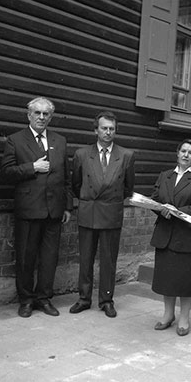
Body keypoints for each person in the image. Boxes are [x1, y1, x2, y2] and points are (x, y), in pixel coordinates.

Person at [1, 97, 73, 318]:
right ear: (29, 115)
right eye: (37, 113)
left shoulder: (60, 140)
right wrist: (32, 167)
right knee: (26, 258)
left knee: (50, 258)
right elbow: (7, 172)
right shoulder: (15, 140)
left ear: (50, 117)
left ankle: (44, 298)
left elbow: (66, 177)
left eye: (46, 114)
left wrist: (67, 206)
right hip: (29, 209)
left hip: (54, 210)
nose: (41, 117)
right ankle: (26, 300)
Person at [70, 111, 135, 318]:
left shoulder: (126, 155)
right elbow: (76, 184)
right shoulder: (82, 154)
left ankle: (106, 300)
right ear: (95, 130)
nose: (108, 132)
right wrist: (88, 200)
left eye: (111, 129)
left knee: (108, 259)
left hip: (111, 212)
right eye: (104, 128)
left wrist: (110, 200)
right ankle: (84, 298)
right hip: (88, 211)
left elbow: (128, 187)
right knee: (86, 258)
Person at [150, 139, 191, 336]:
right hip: (166, 234)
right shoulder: (165, 175)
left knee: (187, 279)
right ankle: (168, 314)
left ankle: (184, 318)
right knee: (167, 278)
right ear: (177, 153)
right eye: (183, 151)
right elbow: (155, 199)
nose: (186, 155)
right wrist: (161, 209)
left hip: (188, 236)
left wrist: (178, 211)